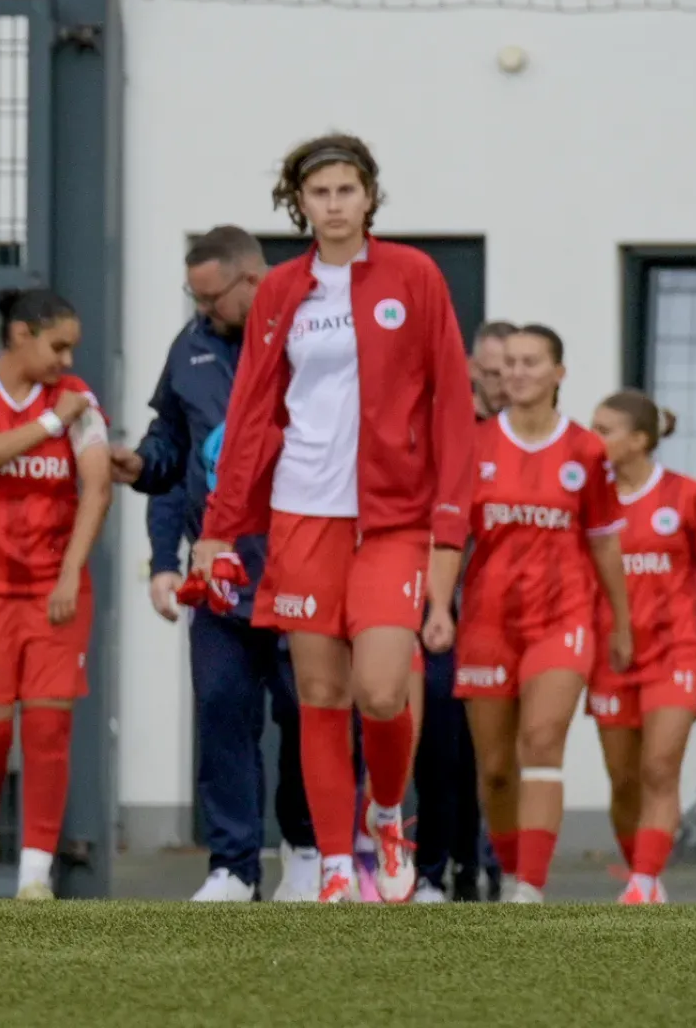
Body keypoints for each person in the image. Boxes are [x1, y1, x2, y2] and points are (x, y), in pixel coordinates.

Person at [189, 133, 475, 904]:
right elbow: (250, 411)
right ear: (300, 203)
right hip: (301, 513)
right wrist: (219, 525)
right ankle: (338, 869)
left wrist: (449, 520)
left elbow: (451, 403)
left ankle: (386, 813)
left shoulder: (414, 276)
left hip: (392, 519)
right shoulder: (282, 291)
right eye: (320, 193)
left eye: (348, 190)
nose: (335, 204)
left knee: (382, 691)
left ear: (370, 197)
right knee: (318, 695)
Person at [114, 224, 317, 902]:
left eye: (210, 297)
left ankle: (308, 848)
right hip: (221, 575)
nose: (202, 310)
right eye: (193, 297)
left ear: (254, 280)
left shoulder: (313, 337)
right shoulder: (191, 347)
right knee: (223, 709)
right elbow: (171, 444)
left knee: (305, 710)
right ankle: (232, 866)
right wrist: (142, 467)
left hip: (301, 566)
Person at [454, 325, 633, 903]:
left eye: (532, 362)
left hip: (564, 617)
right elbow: (450, 539)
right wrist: (434, 607)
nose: (518, 372)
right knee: (497, 768)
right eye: (509, 363)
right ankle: (508, 870)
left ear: (559, 374)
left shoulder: (586, 451)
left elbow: (605, 542)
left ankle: (528, 886)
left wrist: (621, 624)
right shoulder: (475, 444)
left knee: (542, 737)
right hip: (487, 622)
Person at [0, 288, 113, 901]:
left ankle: (37, 875)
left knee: (48, 732)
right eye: (58, 345)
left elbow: (95, 487)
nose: (67, 361)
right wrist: (48, 424)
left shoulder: (80, 400)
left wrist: (71, 572)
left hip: (53, 591)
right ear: (21, 335)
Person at [587, 391, 696, 904]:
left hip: (675, 651)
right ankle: (643, 870)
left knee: (660, 767)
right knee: (624, 780)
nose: (594, 440)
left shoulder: (686, 496)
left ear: (639, 441)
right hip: (611, 656)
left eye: (605, 430)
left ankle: (643, 880)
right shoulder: (590, 497)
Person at [412, 318, 517, 902]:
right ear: (474, 369)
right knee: (441, 746)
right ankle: (434, 867)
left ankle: (490, 865)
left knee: (496, 751)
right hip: (447, 606)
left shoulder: (529, 440)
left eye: (517, 371)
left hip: (508, 615)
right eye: (497, 371)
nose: (508, 383)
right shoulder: (450, 433)